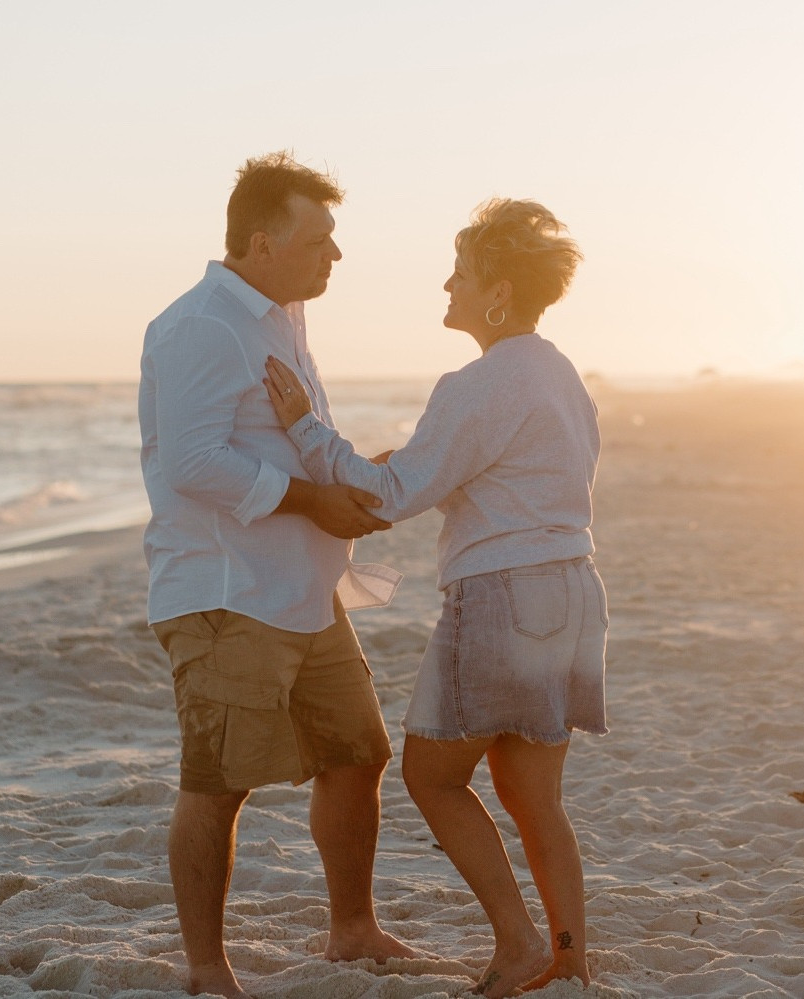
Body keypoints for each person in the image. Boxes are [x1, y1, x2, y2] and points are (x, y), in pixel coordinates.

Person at [262, 198, 607, 997]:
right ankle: (569, 960)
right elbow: (504, 475)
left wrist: (306, 429)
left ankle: (518, 943)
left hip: (502, 597)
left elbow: (393, 495)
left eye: (462, 273)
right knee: (535, 797)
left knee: (431, 776)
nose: (448, 285)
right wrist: (410, 465)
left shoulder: (475, 383)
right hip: (574, 592)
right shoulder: (561, 374)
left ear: (499, 293)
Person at [138, 152, 414, 999]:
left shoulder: (283, 316)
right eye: (319, 239)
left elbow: (285, 442)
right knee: (218, 783)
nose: (336, 254)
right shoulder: (201, 325)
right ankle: (206, 969)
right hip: (227, 593)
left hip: (306, 591)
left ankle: (353, 929)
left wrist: (357, 479)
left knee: (358, 755)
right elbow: (192, 463)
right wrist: (312, 500)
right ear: (263, 243)